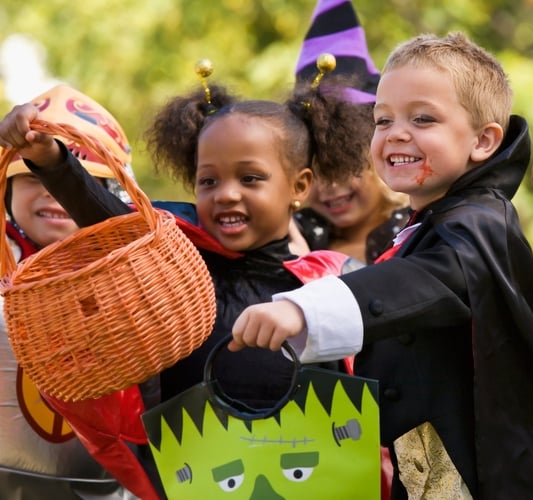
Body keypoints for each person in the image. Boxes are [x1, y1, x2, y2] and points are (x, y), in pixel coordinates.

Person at [229, 31, 533, 499]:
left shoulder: (480, 222)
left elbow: (431, 277)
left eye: (423, 118)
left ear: (483, 141)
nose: (396, 133)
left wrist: (303, 309)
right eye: (382, 120)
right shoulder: (425, 225)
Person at [0, 72, 367, 498]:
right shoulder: (175, 262)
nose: (226, 194)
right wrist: (51, 162)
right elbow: (114, 224)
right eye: (208, 181)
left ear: (299, 186)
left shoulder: (336, 284)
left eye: (250, 179)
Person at [0, 85, 137, 500]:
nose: (51, 191)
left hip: (108, 483)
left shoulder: (135, 275)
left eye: (73, 182)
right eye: (30, 176)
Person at [291, 0, 410, 264]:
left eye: (343, 165)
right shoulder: (292, 236)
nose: (331, 186)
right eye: (317, 170)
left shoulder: (415, 235)